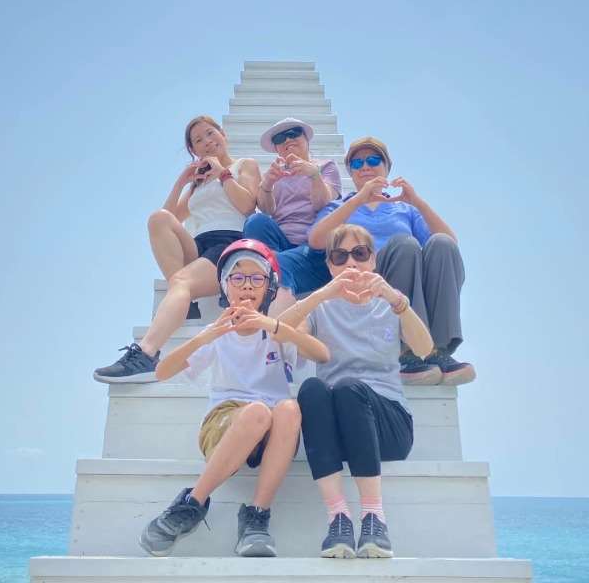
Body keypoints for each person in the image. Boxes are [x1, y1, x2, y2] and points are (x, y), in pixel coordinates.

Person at [139, 239, 329, 558]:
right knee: (257, 412)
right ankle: (192, 503)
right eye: (237, 277)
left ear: (269, 287)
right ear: (225, 286)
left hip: (271, 431)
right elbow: (162, 372)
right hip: (226, 424)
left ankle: (256, 516)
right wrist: (206, 336)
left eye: (257, 278)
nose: (247, 285)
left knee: (288, 408)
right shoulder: (217, 332)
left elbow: (321, 354)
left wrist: (274, 325)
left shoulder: (277, 329)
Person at [281, 223, 433, 558]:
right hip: (339, 431)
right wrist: (321, 294)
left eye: (360, 254)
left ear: (373, 260)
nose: (351, 263)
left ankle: (374, 518)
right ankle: (338, 518)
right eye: (340, 256)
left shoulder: (391, 304)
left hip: (389, 427)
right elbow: (281, 333)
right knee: (313, 388)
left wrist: (396, 299)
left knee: (349, 387)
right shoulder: (321, 307)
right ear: (330, 265)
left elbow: (424, 348)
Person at [94, 116, 260, 383]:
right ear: (194, 150)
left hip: (229, 244)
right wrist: (182, 182)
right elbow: (169, 218)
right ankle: (185, 301)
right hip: (199, 245)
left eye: (210, 133)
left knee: (181, 282)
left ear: (223, 134)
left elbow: (248, 206)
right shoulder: (198, 184)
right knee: (157, 219)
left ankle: (146, 354)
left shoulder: (244, 166)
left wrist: (223, 173)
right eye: (198, 140)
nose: (207, 142)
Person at [309, 136, 475, 386]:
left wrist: (417, 202)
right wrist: (358, 199)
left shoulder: (404, 209)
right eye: (357, 163)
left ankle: (437, 349)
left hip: (407, 276)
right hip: (368, 277)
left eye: (373, 160)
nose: (365, 166)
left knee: (441, 244)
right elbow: (317, 240)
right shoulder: (340, 206)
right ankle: (406, 349)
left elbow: (450, 243)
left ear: (386, 167)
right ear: (351, 172)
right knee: (404, 245)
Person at [243, 117, 342, 306]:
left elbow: (324, 203)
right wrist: (267, 185)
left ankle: (270, 273)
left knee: (274, 262)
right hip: (281, 241)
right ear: (276, 148)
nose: (288, 140)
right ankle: (272, 270)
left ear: (306, 139)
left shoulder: (325, 167)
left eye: (294, 133)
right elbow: (266, 209)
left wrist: (314, 175)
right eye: (280, 138)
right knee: (256, 222)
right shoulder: (274, 174)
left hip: (313, 247)